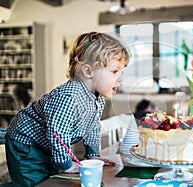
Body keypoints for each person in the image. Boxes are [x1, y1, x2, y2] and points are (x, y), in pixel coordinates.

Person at [5, 31, 130, 187]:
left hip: (47, 144)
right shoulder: (69, 96)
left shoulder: (97, 98)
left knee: (51, 179)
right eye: (115, 71)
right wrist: (66, 164)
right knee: (33, 183)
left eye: (122, 71)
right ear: (88, 71)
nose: (121, 78)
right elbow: (58, 134)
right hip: (26, 143)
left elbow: (92, 128)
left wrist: (92, 155)